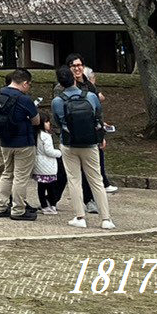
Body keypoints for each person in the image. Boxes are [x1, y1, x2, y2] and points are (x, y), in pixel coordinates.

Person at [52, 64, 114, 229]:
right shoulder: (90, 97)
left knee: (74, 180)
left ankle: (80, 217)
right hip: (90, 143)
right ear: (73, 78)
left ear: (59, 82)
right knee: (96, 180)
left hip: (69, 144)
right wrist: (100, 137)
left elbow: (58, 122)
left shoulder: (57, 101)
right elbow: (98, 117)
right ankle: (106, 219)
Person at [63, 54, 116, 194]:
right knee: (67, 171)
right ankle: (51, 200)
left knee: (93, 166)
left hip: (91, 132)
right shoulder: (63, 87)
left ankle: (91, 197)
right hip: (72, 134)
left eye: (79, 65)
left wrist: (101, 134)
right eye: (73, 66)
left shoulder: (89, 86)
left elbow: (97, 111)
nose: (77, 68)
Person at [0, 67, 39, 220]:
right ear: (24, 83)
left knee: (7, 173)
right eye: (29, 84)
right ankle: (18, 210)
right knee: (20, 177)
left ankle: (0, 206)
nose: (28, 87)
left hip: (5, 141)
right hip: (23, 142)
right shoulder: (24, 99)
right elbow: (36, 120)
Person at [32, 111, 64, 215]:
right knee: (51, 186)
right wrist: (59, 152)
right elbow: (49, 151)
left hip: (38, 164)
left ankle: (44, 205)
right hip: (47, 165)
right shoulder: (46, 136)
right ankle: (51, 205)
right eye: (46, 122)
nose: (49, 123)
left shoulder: (36, 135)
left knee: (41, 186)